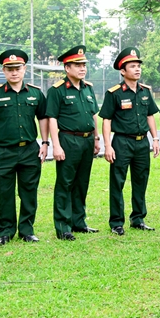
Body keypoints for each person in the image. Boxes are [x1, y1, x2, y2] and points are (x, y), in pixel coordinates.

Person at [0, 50, 48, 245]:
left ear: (24, 69)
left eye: (18, 68)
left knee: (29, 191)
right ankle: (5, 232)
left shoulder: (35, 93)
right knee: (2, 193)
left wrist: (44, 142)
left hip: (29, 150)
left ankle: (27, 230)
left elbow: (42, 118)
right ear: (4, 71)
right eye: (10, 69)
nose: (14, 72)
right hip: (3, 151)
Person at [99, 47, 160, 235]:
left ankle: (138, 218)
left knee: (141, 180)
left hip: (142, 143)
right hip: (122, 142)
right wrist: (108, 145)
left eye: (138, 66)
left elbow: (150, 115)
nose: (137, 69)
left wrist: (155, 138)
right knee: (118, 182)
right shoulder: (114, 93)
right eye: (132, 66)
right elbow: (106, 119)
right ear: (123, 71)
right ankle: (117, 222)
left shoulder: (145, 91)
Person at [47, 45, 100, 241]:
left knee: (81, 183)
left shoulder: (88, 88)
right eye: (77, 65)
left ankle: (79, 222)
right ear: (67, 68)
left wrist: (96, 138)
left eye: (83, 64)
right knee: (65, 183)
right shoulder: (57, 90)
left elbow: (93, 114)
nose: (82, 68)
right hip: (68, 140)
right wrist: (56, 145)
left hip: (87, 140)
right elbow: (51, 118)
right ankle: (63, 227)